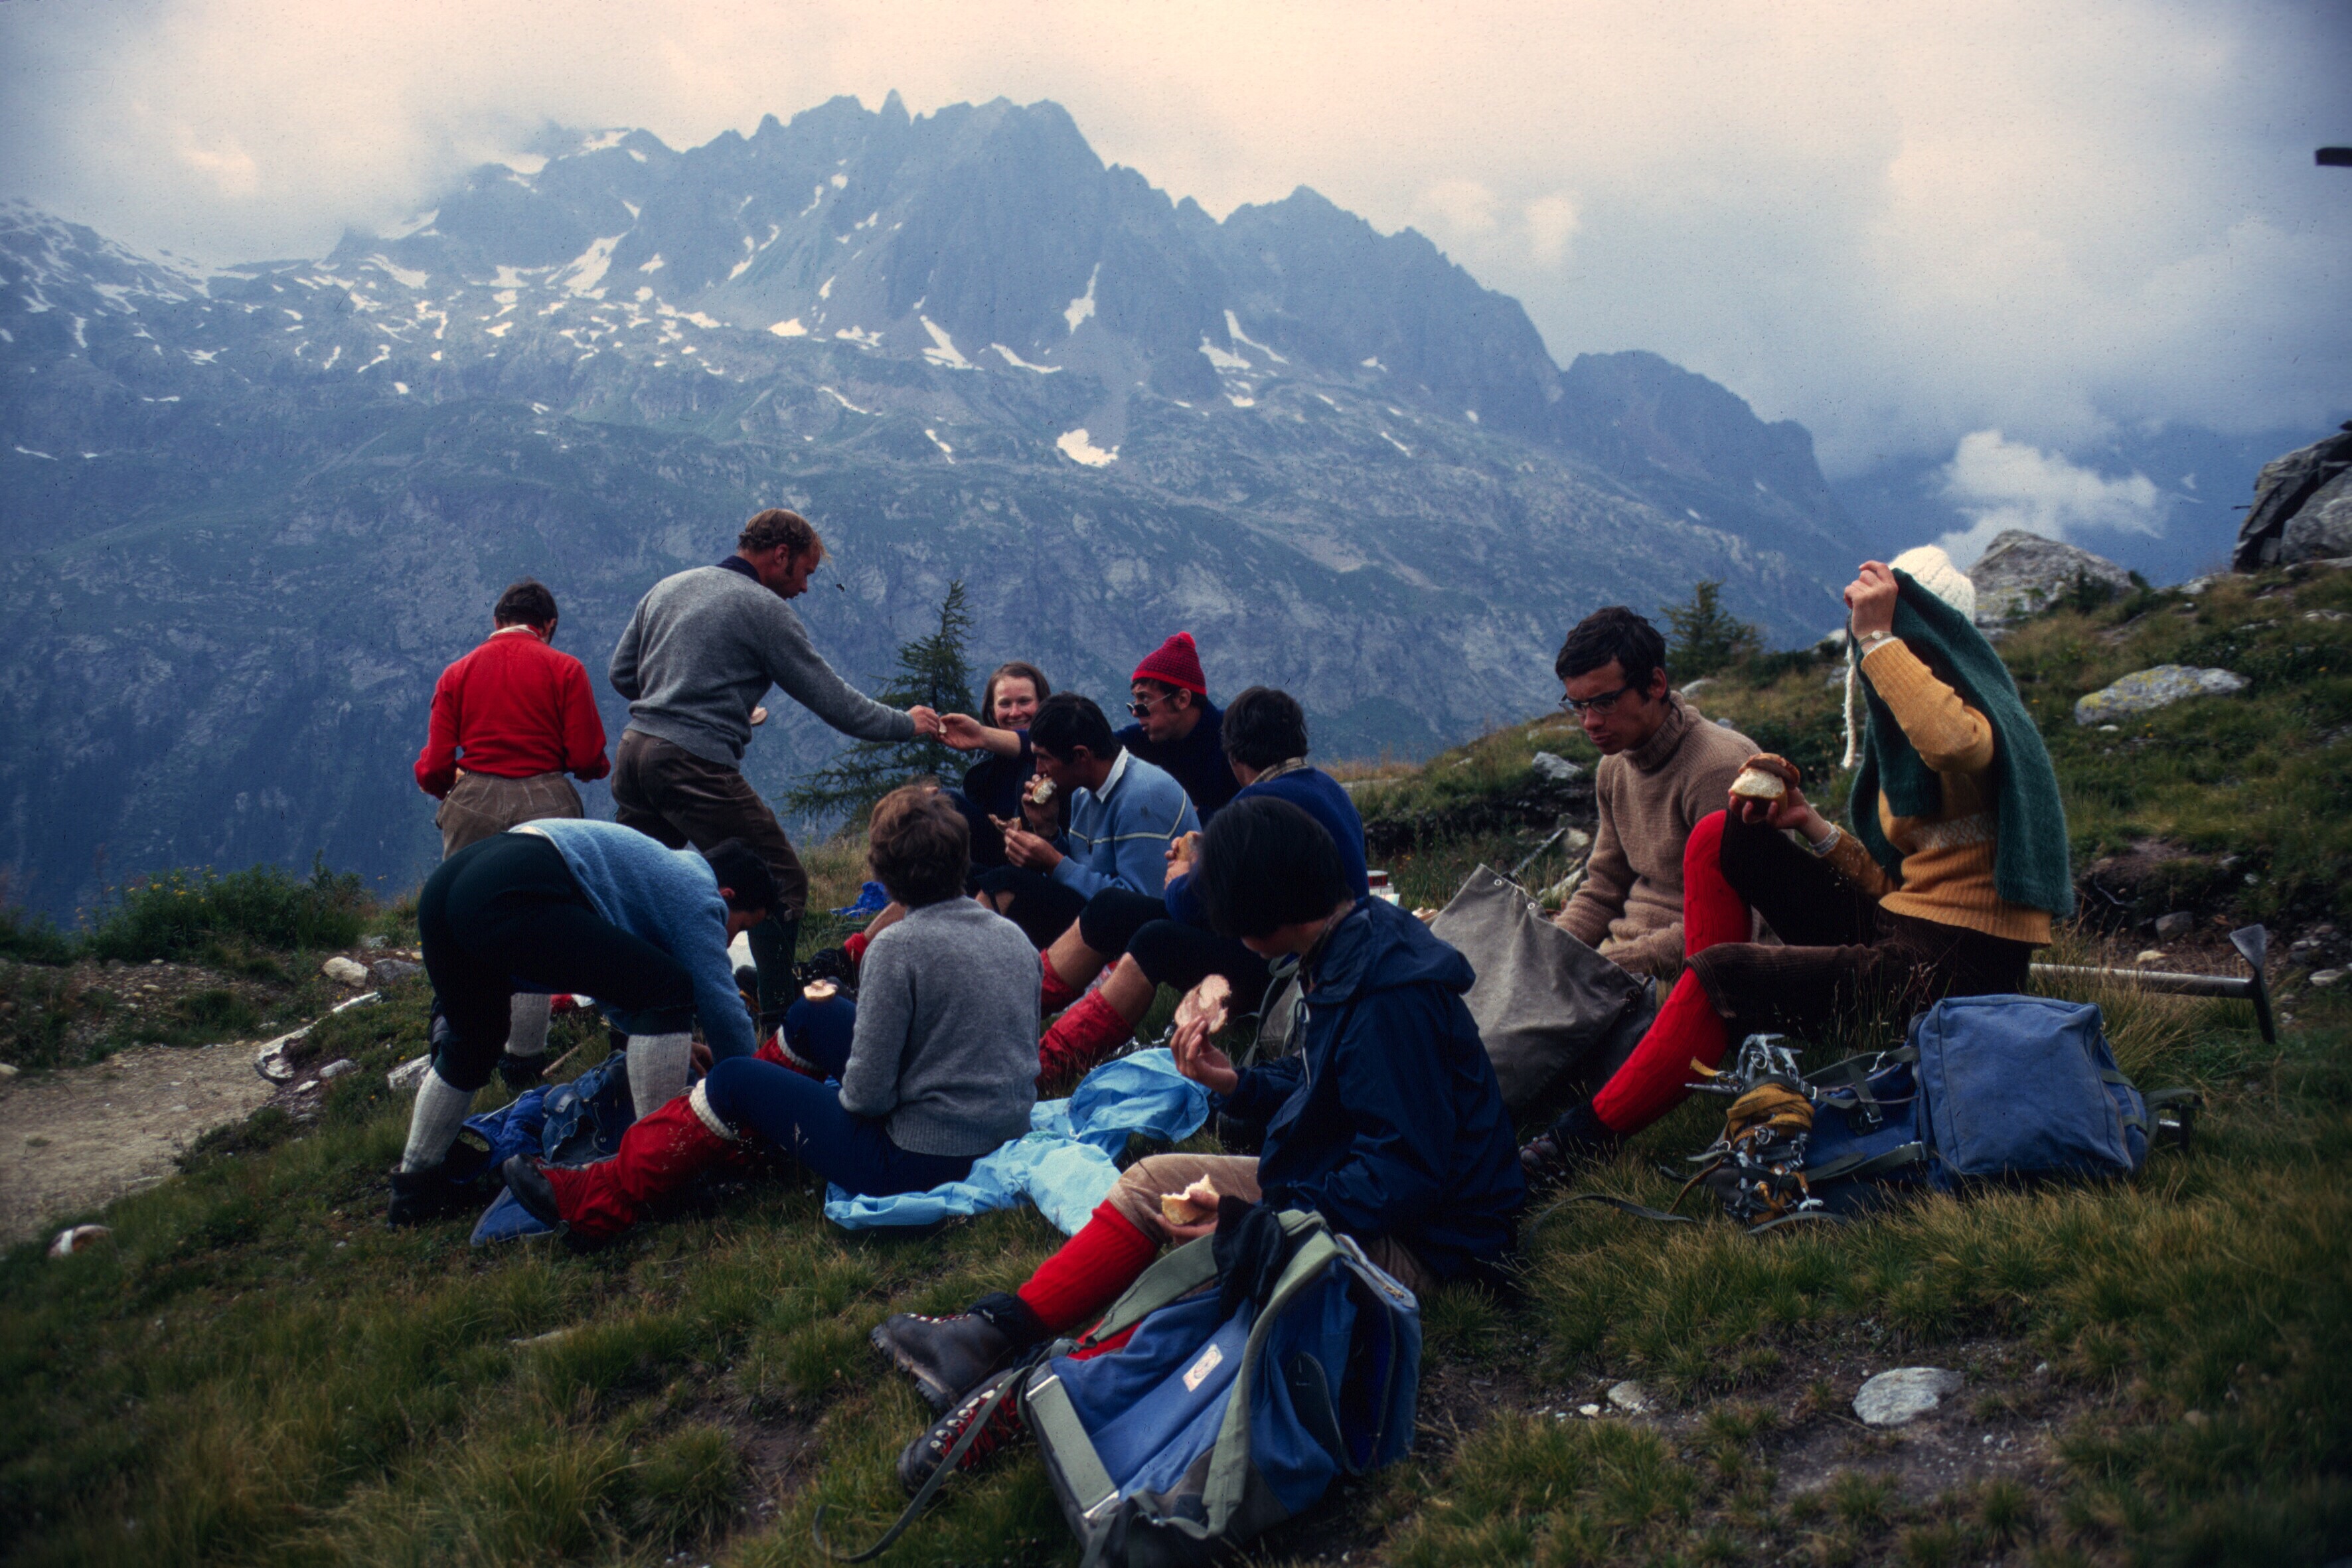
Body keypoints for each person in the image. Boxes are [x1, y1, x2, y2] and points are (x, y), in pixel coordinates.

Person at [872, 797, 1524, 1490]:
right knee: (1156, 1181)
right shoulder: (1345, 948)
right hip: (1362, 1186)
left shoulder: (1385, 997)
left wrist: (1253, 1223)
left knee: (1214, 1274)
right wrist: (1235, 1082)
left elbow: (1403, 1175)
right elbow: (1328, 1088)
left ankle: (1031, 1399)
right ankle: (991, 1336)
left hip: (1431, 1239)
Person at [1520, 547, 2073, 1182]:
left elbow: (1952, 743)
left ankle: (1575, 1142)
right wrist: (1809, 825)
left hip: (1954, 965)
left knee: (1722, 971)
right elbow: (1902, 881)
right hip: (1904, 925)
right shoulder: (1907, 736)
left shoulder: (1973, 722)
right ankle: (1713, 1018)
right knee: (1720, 836)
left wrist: (1877, 636)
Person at [501, 785, 1040, 1242]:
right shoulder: (1009, 934)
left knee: (735, 1077)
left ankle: (601, 1198)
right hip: (999, 1130)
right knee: (815, 1013)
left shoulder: (897, 948)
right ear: (962, 856)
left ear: (882, 872)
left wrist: (822, 1098)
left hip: (912, 1160)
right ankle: (742, 1138)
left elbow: (868, 1097)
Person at [607, 508, 941, 1022]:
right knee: (781, 882)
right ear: (779, 555)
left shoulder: (670, 586)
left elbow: (622, 674)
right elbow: (833, 700)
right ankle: (779, 1012)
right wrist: (906, 723)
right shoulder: (762, 608)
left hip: (634, 752)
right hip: (691, 760)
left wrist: (690, 700)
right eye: (805, 573)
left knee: (642, 885)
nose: (806, 588)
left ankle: (632, 1013)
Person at [388, 819, 776, 1225]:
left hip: (450, 886)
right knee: (669, 988)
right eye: (742, 926)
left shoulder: (653, 872)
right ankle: (663, 1168)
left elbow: (605, 976)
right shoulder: (697, 891)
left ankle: (414, 1190)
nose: (730, 940)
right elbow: (721, 1005)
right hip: (514, 885)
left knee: (472, 1044)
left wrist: (670, 1038)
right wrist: (753, 1094)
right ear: (726, 895)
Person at [1032, 686, 1371, 1087]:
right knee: (1112, 907)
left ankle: (1047, 1064)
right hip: (1330, 949)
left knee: (1155, 940)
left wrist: (1181, 872)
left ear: (1233, 754)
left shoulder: (1254, 809)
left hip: (1286, 967)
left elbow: (1183, 905)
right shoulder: (1326, 788)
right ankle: (1028, 1008)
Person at [412, 578, 613, 1085]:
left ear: (497, 622)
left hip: (474, 800)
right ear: (548, 626)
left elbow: (434, 767)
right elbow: (589, 759)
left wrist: (458, 788)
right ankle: (524, 1059)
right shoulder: (565, 668)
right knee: (538, 923)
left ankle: (454, 1034)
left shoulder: (457, 672)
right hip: (546, 802)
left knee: (461, 922)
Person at [1549, 607, 1757, 980]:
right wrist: (1551, 950)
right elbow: (1605, 887)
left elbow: (1736, 920)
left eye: (1604, 702)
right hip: (1623, 961)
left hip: (1694, 973)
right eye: (1577, 706)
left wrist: (1608, 968)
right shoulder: (1614, 768)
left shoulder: (1720, 769)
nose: (1590, 722)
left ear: (1656, 684)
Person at [972, 693, 1199, 949]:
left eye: (1044, 757)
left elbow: (1139, 904)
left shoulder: (1142, 796)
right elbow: (1082, 871)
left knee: (1006, 883)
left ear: (1081, 756)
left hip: (1145, 932)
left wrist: (1053, 862)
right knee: (975, 875)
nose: (1038, 770)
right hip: (1098, 912)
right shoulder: (1084, 790)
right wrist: (1048, 830)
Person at [1116, 632, 1239, 821]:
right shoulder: (1147, 736)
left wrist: (1192, 815)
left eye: (1144, 700)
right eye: (1134, 702)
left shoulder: (1236, 741)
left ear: (1182, 699)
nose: (1135, 712)